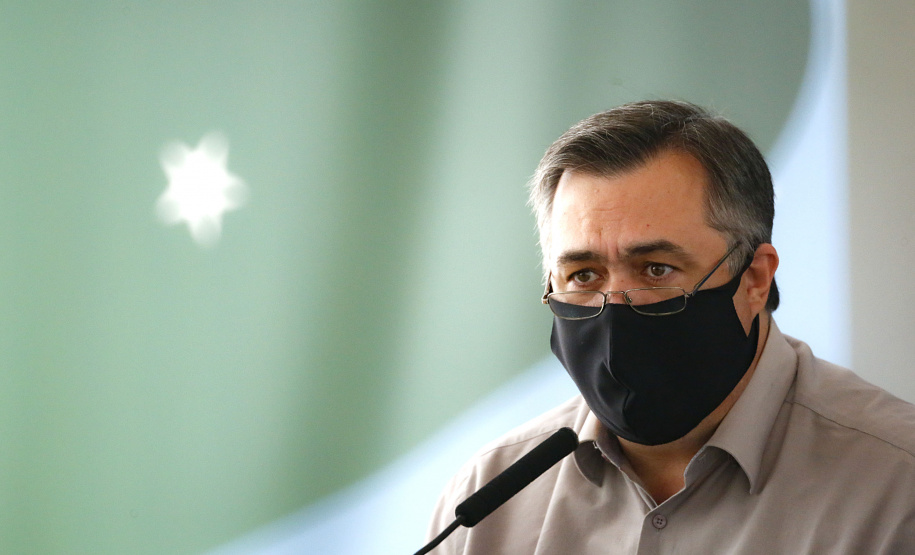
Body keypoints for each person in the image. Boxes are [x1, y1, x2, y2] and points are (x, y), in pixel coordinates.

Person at [426, 100, 915, 553]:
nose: (615, 309)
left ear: (754, 279)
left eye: (656, 269)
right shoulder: (488, 503)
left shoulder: (896, 488)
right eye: (584, 275)